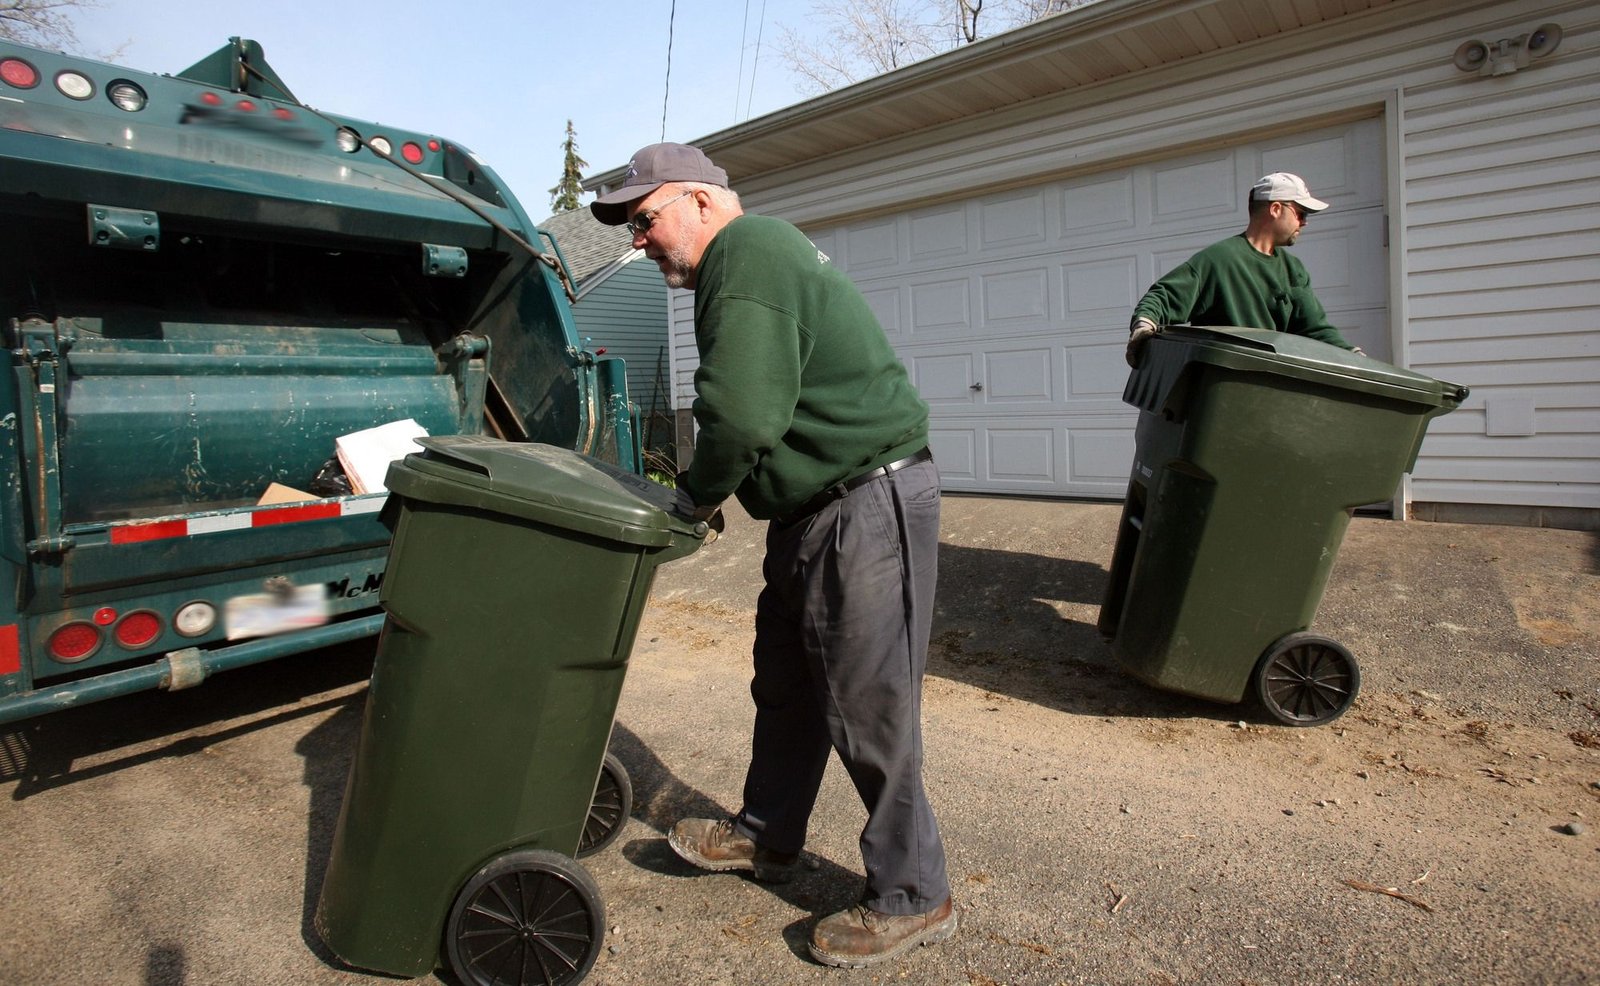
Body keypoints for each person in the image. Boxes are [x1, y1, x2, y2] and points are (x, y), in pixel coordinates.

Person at [590, 143, 955, 969]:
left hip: (863, 502)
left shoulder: (748, 250)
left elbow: (743, 411)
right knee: (787, 687)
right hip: (811, 511)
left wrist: (693, 496)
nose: (639, 241)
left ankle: (913, 891)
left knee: (868, 704)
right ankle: (767, 835)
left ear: (703, 202)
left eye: (645, 219)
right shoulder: (742, 263)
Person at [1127, 172, 1363, 365]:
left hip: (1271, 388)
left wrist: (1353, 357)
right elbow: (1164, 296)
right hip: (1224, 384)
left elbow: (1315, 328)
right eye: (1300, 213)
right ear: (1276, 209)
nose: (1304, 222)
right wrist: (1144, 325)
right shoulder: (1219, 260)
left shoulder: (1293, 270)